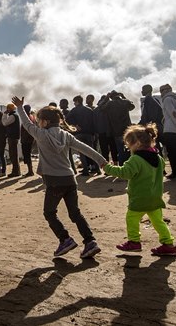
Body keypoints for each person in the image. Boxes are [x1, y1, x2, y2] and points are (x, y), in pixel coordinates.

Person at [11, 96, 106, 259]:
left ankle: (65, 239)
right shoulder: (66, 135)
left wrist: (20, 107)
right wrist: (102, 161)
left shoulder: (41, 135)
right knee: (75, 213)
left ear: (46, 122)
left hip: (54, 182)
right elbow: (85, 148)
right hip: (70, 179)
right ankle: (90, 242)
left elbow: (26, 124)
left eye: (39, 120)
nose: (38, 122)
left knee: (49, 213)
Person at [103, 123, 176, 256]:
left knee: (131, 218)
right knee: (158, 222)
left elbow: (125, 173)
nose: (127, 147)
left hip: (139, 197)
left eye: (128, 144)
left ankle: (134, 242)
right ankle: (168, 244)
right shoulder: (159, 158)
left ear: (136, 143)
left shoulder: (136, 159)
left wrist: (107, 168)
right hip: (155, 197)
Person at [98, 90, 135, 165]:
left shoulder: (110, 103)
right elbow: (132, 106)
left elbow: (100, 107)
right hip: (128, 130)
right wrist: (124, 97)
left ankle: (122, 167)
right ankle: (131, 165)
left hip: (116, 130)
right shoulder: (125, 102)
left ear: (111, 97)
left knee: (120, 150)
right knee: (130, 149)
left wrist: (106, 98)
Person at [66, 95, 100, 175]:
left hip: (79, 134)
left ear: (77, 101)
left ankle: (85, 170)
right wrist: (94, 133)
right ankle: (97, 169)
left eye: (74, 102)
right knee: (91, 152)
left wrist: (75, 124)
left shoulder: (74, 110)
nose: (74, 103)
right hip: (90, 134)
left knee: (81, 152)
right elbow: (94, 122)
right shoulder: (89, 110)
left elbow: (67, 119)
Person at [139, 84, 164, 155]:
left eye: (143, 89)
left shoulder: (148, 100)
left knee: (154, 146)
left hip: (153, 126)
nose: (141, 91)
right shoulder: (154, 100)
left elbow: (147, 116)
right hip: (158, 125)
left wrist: (140, 125)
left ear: (147, 90)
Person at [95, 95, 118, 164]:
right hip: (111, 132)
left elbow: (95, 122)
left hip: (102, 132)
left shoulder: (96, 110)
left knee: (104, 150)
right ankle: (116, 165)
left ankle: (107, 166)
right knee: (114, 149)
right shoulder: (112, 109)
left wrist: (96, 131)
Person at [3, 104, 21, 177]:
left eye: (8, 108)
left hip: (13, 138)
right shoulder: (14, 115)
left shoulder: (12, 116)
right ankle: (16, 171)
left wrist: (4, 114)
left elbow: (5, 123)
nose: (7, 110)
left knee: (13, 155)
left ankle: (16, 172)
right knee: (13, 154)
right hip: (13, 137)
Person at [20, 105, 36, 177]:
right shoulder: (31, 117)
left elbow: (27, 130)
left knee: (27, 155)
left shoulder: (28, 118)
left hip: (26, 140)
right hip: (28, 139)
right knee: (27, 155)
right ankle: (30, 170)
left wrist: (24, 140)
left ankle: (30, 171)